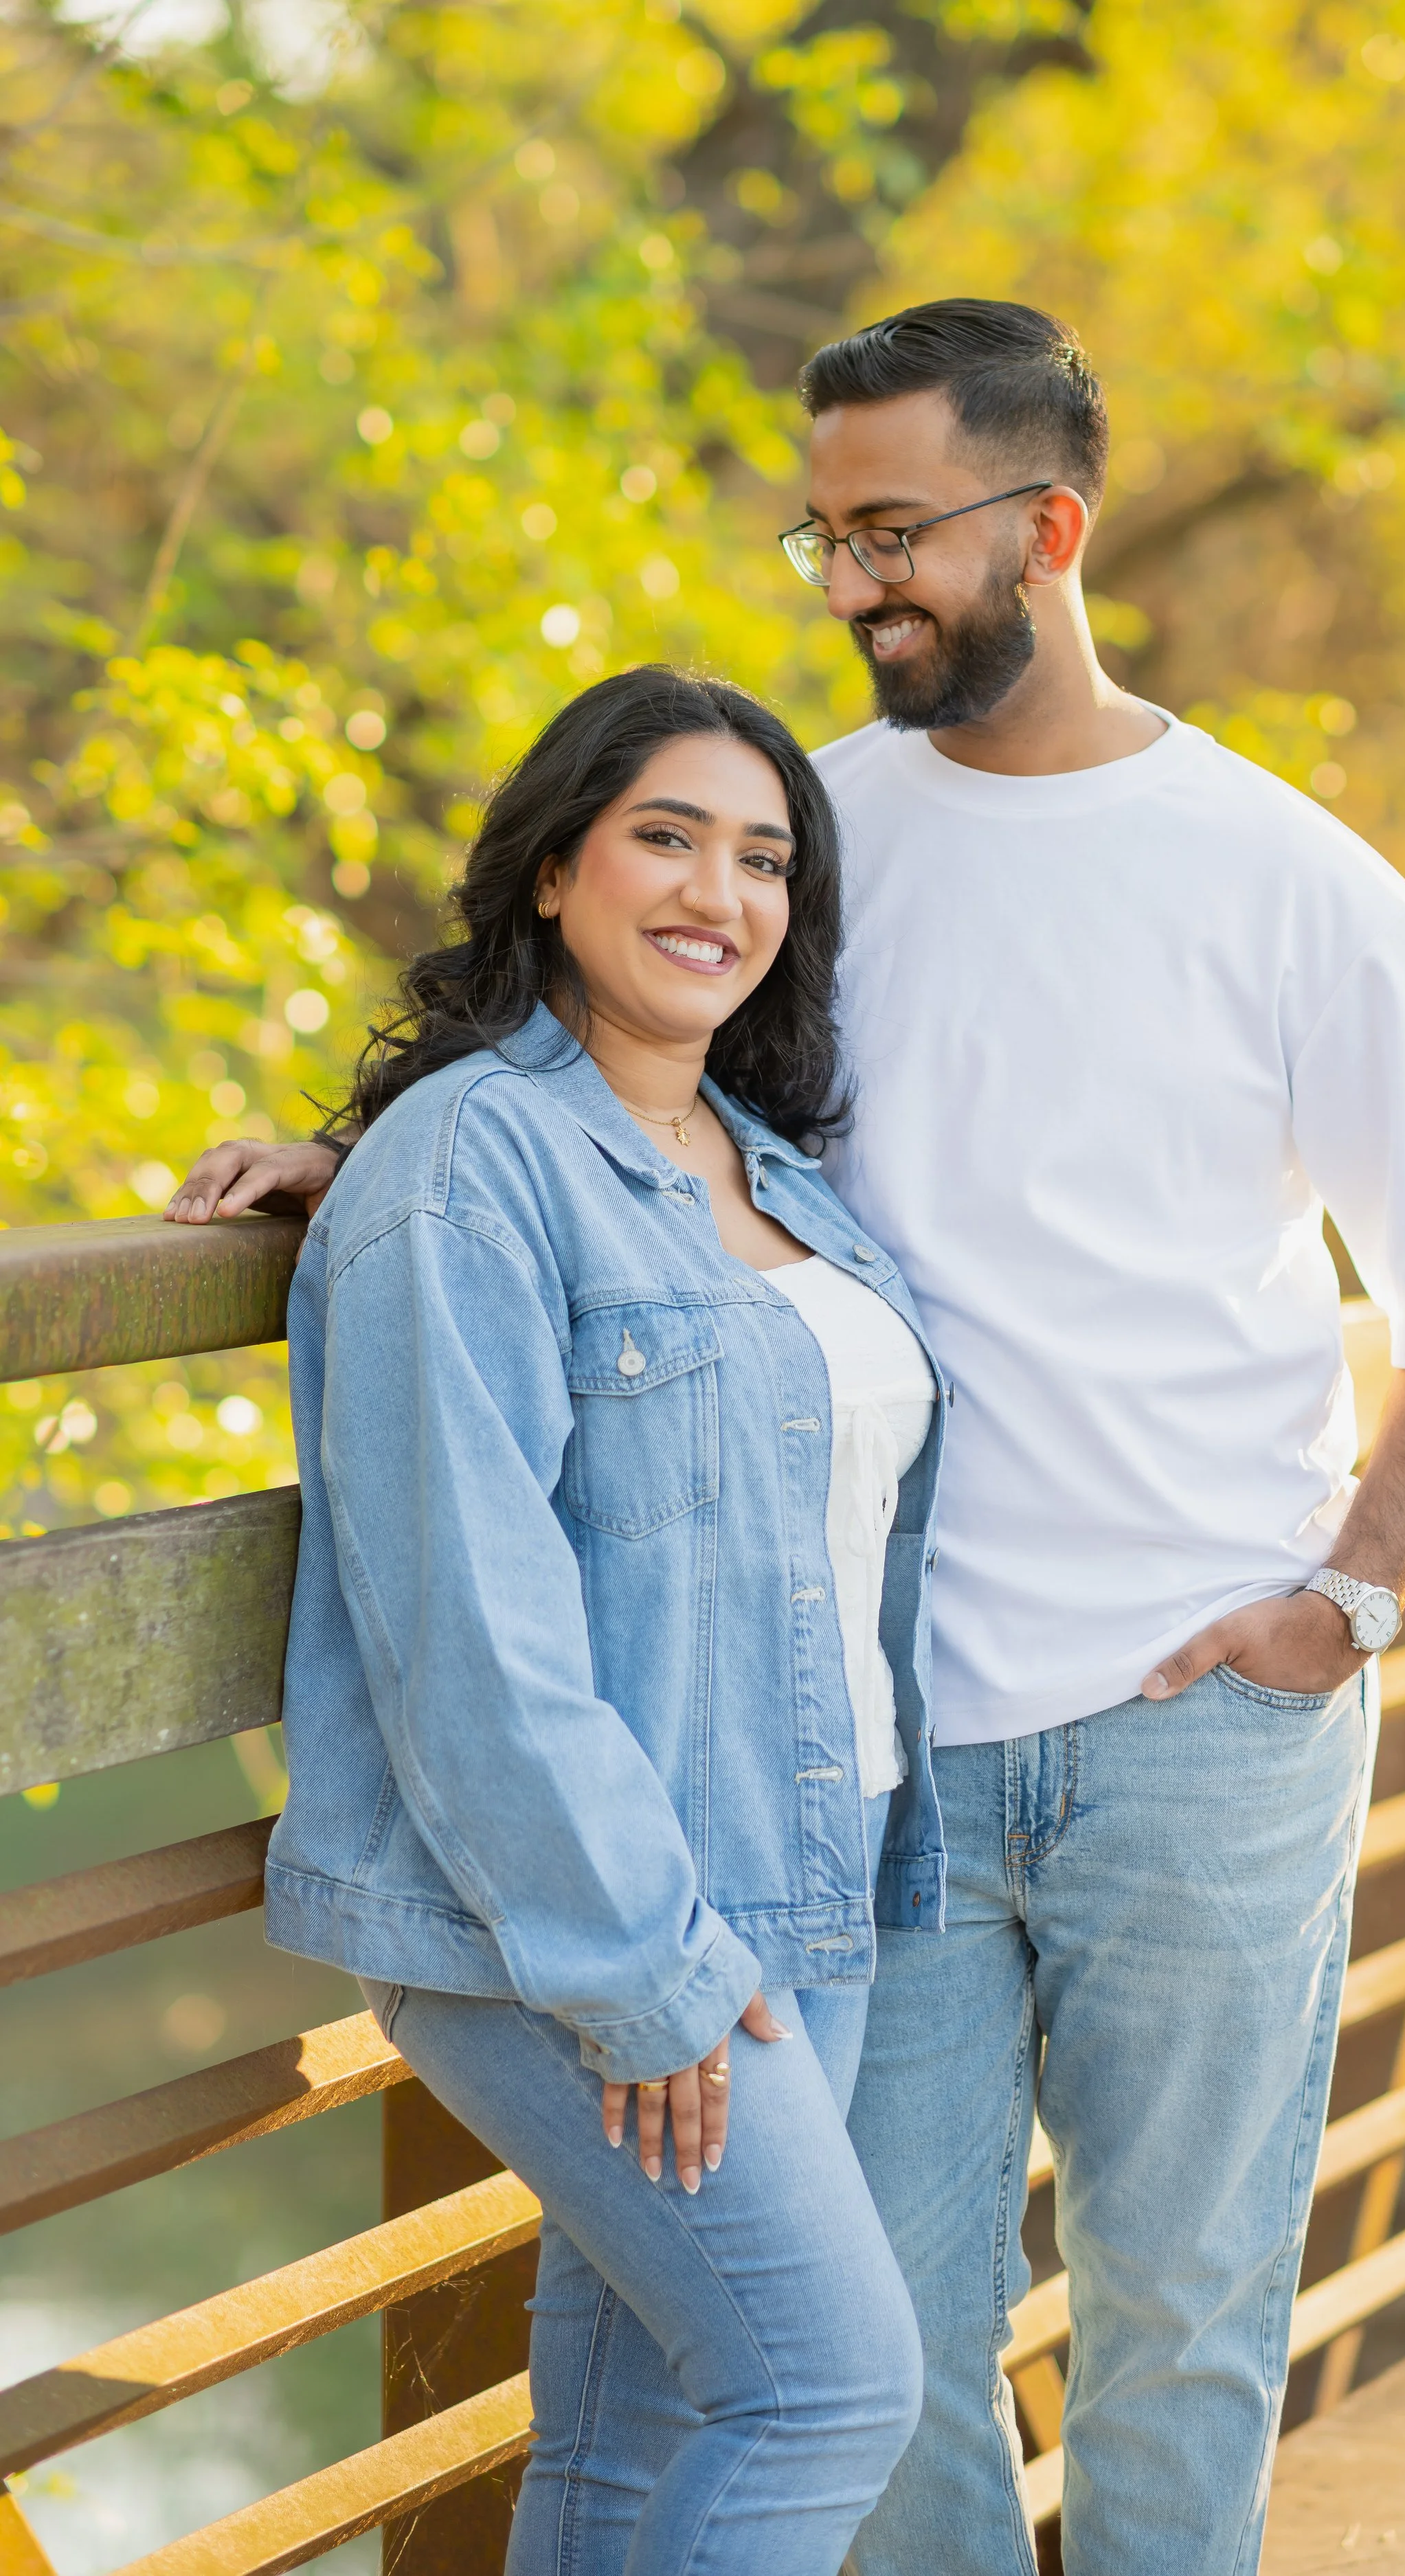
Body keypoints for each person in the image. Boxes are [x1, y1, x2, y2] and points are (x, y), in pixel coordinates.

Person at [169, 303, 1405, 2576]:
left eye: (895, 533)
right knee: (881, 2363)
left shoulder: (1293, 879)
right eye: (825, 535)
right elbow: (640, 1108)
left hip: (1198, 1731)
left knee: (1179, 2329)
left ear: (1052, 528)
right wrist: (389, 1154)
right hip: (864, 1762)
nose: (850, 583)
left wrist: (1343, 1599)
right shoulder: (807, 834)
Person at [247, 666, 946, 2576]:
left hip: (803, 1866)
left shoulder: (768, 1158)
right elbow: (468, 1627)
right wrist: (637, 1964)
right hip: (591, 1914)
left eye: (764, 858)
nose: (720, 892)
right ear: (554, 870)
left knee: (644, 2432)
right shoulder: (465, 1163)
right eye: (667, 837)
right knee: (823, 2391)